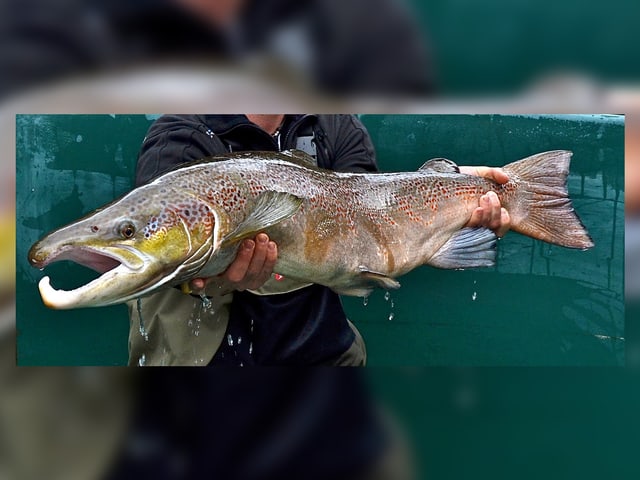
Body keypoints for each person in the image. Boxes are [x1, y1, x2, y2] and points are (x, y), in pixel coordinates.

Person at [128, 114, 510, 367]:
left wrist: (453, 190)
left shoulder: (337, 127)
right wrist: (217, 278)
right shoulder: (179, 137)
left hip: (320, 357)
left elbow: (370, 220)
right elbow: (157, 251)